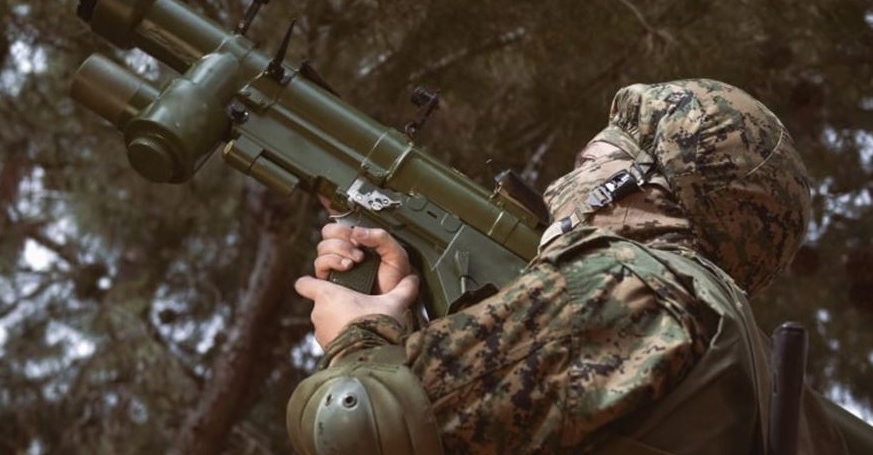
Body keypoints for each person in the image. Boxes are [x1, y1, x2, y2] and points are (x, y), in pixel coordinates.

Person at [286, 79, 848, 454]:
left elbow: (351, 424)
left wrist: (358, 334)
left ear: (634, 183)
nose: (562, 184)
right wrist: (403, 329)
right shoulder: (755, 368)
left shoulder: (633, 282)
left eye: (590, 161)